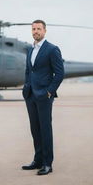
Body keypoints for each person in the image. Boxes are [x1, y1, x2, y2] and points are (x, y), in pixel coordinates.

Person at [21, 19, 64, 175]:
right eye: (33, 29)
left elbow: (59, 73)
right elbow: (28, 71)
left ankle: (47, 164)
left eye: (38, 29)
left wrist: (49, 91)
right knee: (35, 129)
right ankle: (37, 160)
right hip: (31, 94)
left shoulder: (52, 49)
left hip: (44, 95)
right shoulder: (30, 49)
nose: (35, 31)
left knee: (45, 129)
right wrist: (26, 87)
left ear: (44, 31)